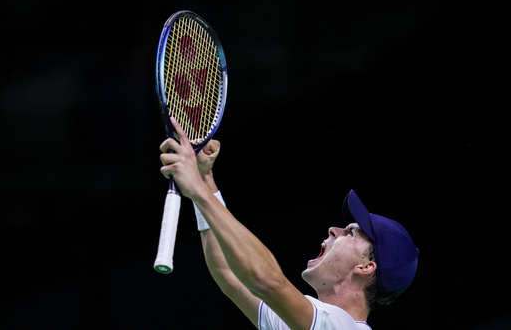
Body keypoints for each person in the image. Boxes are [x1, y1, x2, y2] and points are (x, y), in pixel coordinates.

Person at [159, 117, 419, 330]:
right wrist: (205, 179)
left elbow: (266, 281)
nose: (333, 229)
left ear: (365, 267)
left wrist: (198, 191)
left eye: (350, 233)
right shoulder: (305, 321)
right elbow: (230, 274)